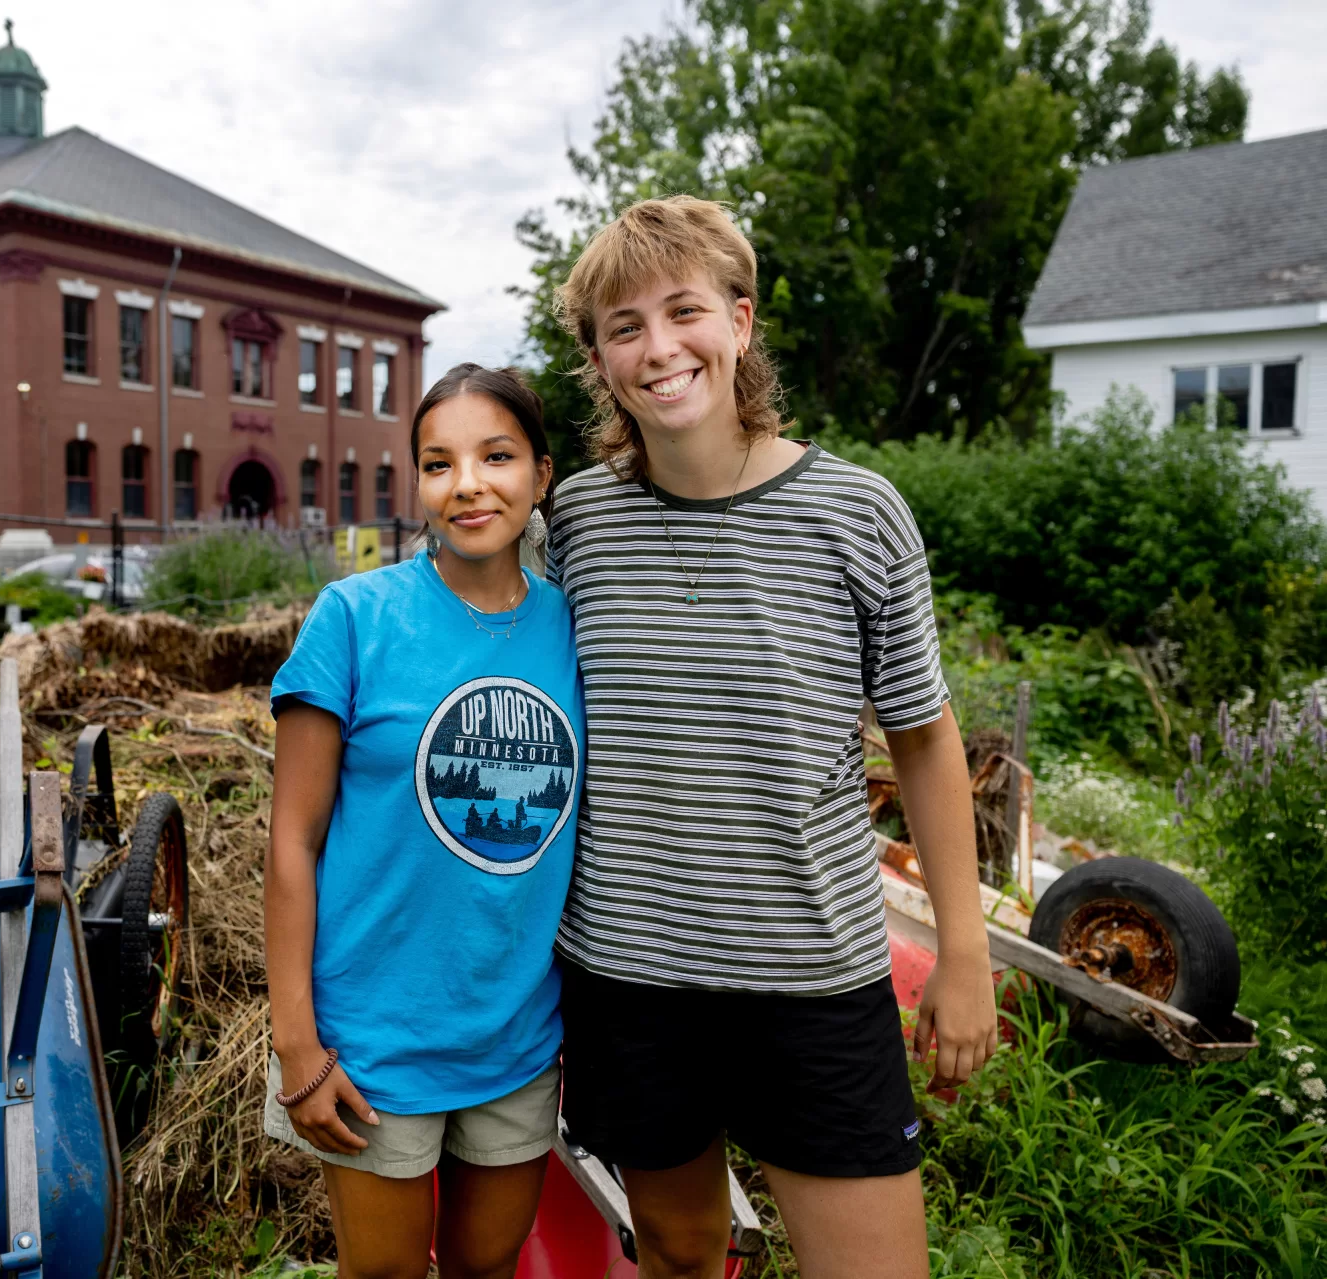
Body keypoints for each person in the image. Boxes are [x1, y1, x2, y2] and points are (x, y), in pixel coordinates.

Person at [545, 196, 997, 1279]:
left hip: (812, 980)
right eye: (621, 326)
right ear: (598, 360)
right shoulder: (574, 525)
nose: (657, 348)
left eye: (682, 310)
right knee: (683, 1252)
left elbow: (926, 740)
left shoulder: (858, 513)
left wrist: (961, 949)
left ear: (739, 323)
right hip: (627, 978)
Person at [265, 364, 584, 1279]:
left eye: (496, 456)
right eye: (438, 463)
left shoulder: (575, 629)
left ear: (541, 475)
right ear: (416, 483)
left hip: (516, 1036)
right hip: (373, 1042)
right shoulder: (355, 618)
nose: (468, 484)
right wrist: (299, 1043)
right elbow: (293, 840)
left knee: (488, 1265)